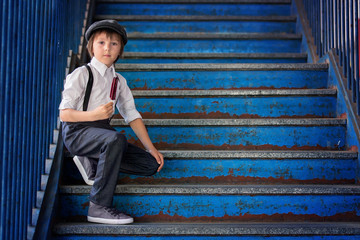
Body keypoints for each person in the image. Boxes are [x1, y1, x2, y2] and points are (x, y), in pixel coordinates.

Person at [59, 20, 164, 225]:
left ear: (120, 50)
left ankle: (93, 160)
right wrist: (94, 114)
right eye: (101, 43)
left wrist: (150, 148)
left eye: (114, 44)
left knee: (149, 165)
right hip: (77, 132)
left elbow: (132, 115)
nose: (107, 48)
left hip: (103, 136)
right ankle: (98, 205)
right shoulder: (82, 74)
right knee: (116, 139)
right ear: (91, 47)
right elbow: (65, 115)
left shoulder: (119, 81)